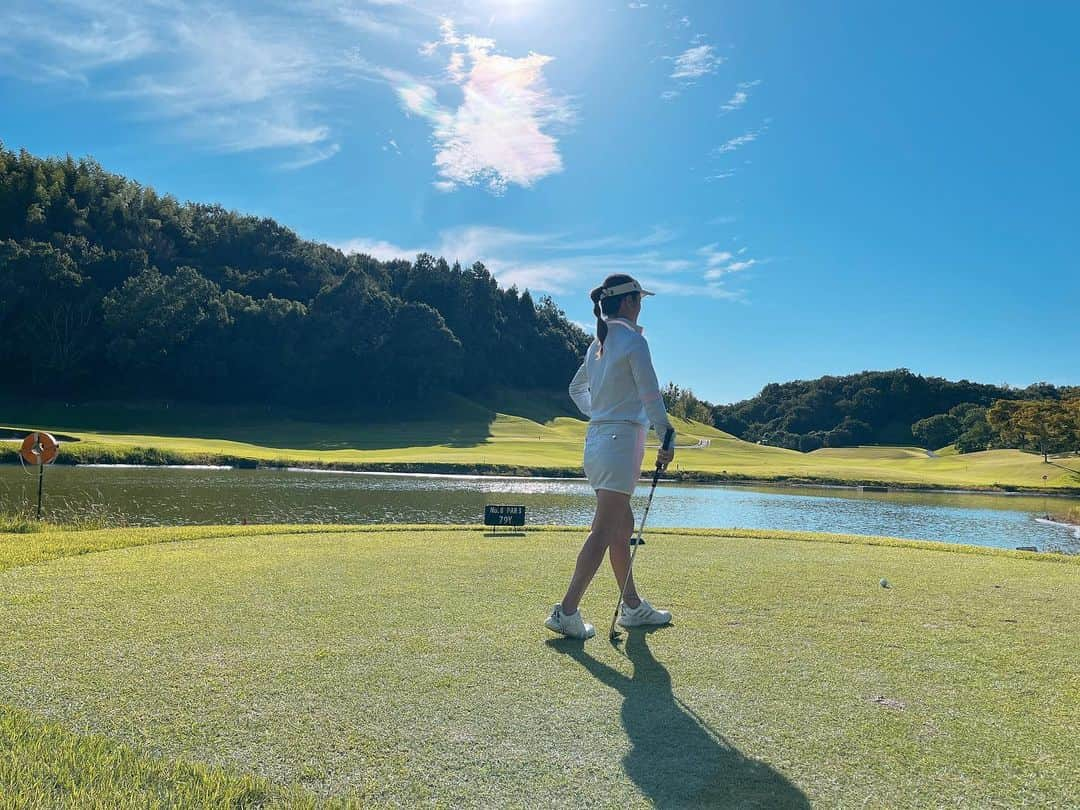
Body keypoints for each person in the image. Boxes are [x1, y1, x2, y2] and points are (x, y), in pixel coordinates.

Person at [545, 274, 676, 639]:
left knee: (622, 526)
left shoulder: (596, 345)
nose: (641, 305)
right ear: (628, 302)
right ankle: (566, 610)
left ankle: (632, 606)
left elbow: (576, 390)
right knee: (604, 530)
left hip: (597, 441)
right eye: (639, 299)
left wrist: (601, 411)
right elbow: (651, 397)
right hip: (620, 443)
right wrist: (666, 436)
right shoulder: (633, 342)